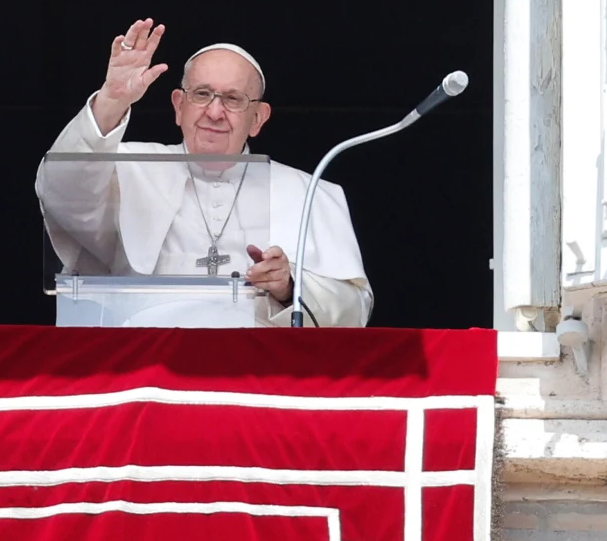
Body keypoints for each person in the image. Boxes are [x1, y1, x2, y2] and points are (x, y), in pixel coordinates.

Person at [37, 18, 372, 327]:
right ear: (178, 106)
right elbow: (60, 192)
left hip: (255, 373)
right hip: (145, 365)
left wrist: (290, 287)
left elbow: (355, 311)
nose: (214, 112)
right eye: (201, 94)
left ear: (258, 118)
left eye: (233, 99)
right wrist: (112, 100)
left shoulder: (308, 191)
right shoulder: (126, 167)